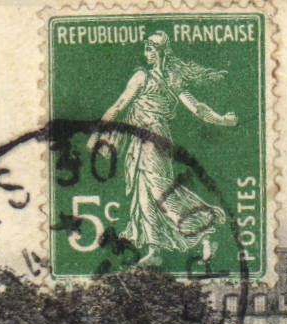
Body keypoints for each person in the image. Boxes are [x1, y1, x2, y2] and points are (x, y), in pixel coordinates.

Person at [85, 31, 236, 267]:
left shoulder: (172, 79)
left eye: (152, 50)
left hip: (156, 138)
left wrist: (222, 119)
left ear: (162, 52)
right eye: (146, 49)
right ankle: (153, 248)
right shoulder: (140, 76)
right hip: (138, 139)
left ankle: (206, 231)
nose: (147, 54)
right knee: (142, 191)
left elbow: (196, 107)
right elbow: (120, 105)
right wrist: (98, 131)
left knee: (159, 189)